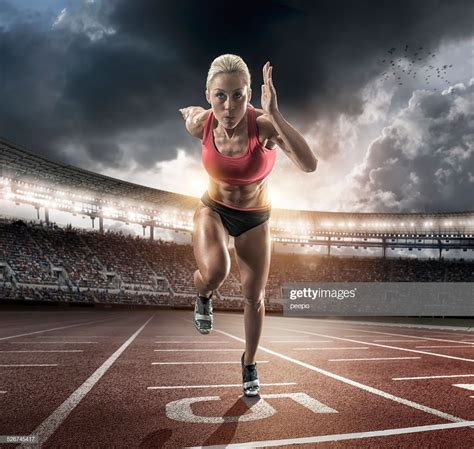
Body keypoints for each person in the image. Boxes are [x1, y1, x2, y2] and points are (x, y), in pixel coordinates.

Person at [179, 54, 317, 397]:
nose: (229, 107)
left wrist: (276, 113)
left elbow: (309, 165)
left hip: (255, 217)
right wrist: (189, 111)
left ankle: (250, 363)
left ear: (250, 94)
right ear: (209, 95)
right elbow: (191, 112)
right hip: (213, 209)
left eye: (238, 95)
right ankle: (203, 294)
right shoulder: (201, 124)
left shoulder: (265, 126)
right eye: (220, 96)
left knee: (253, 297)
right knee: (215, 272)